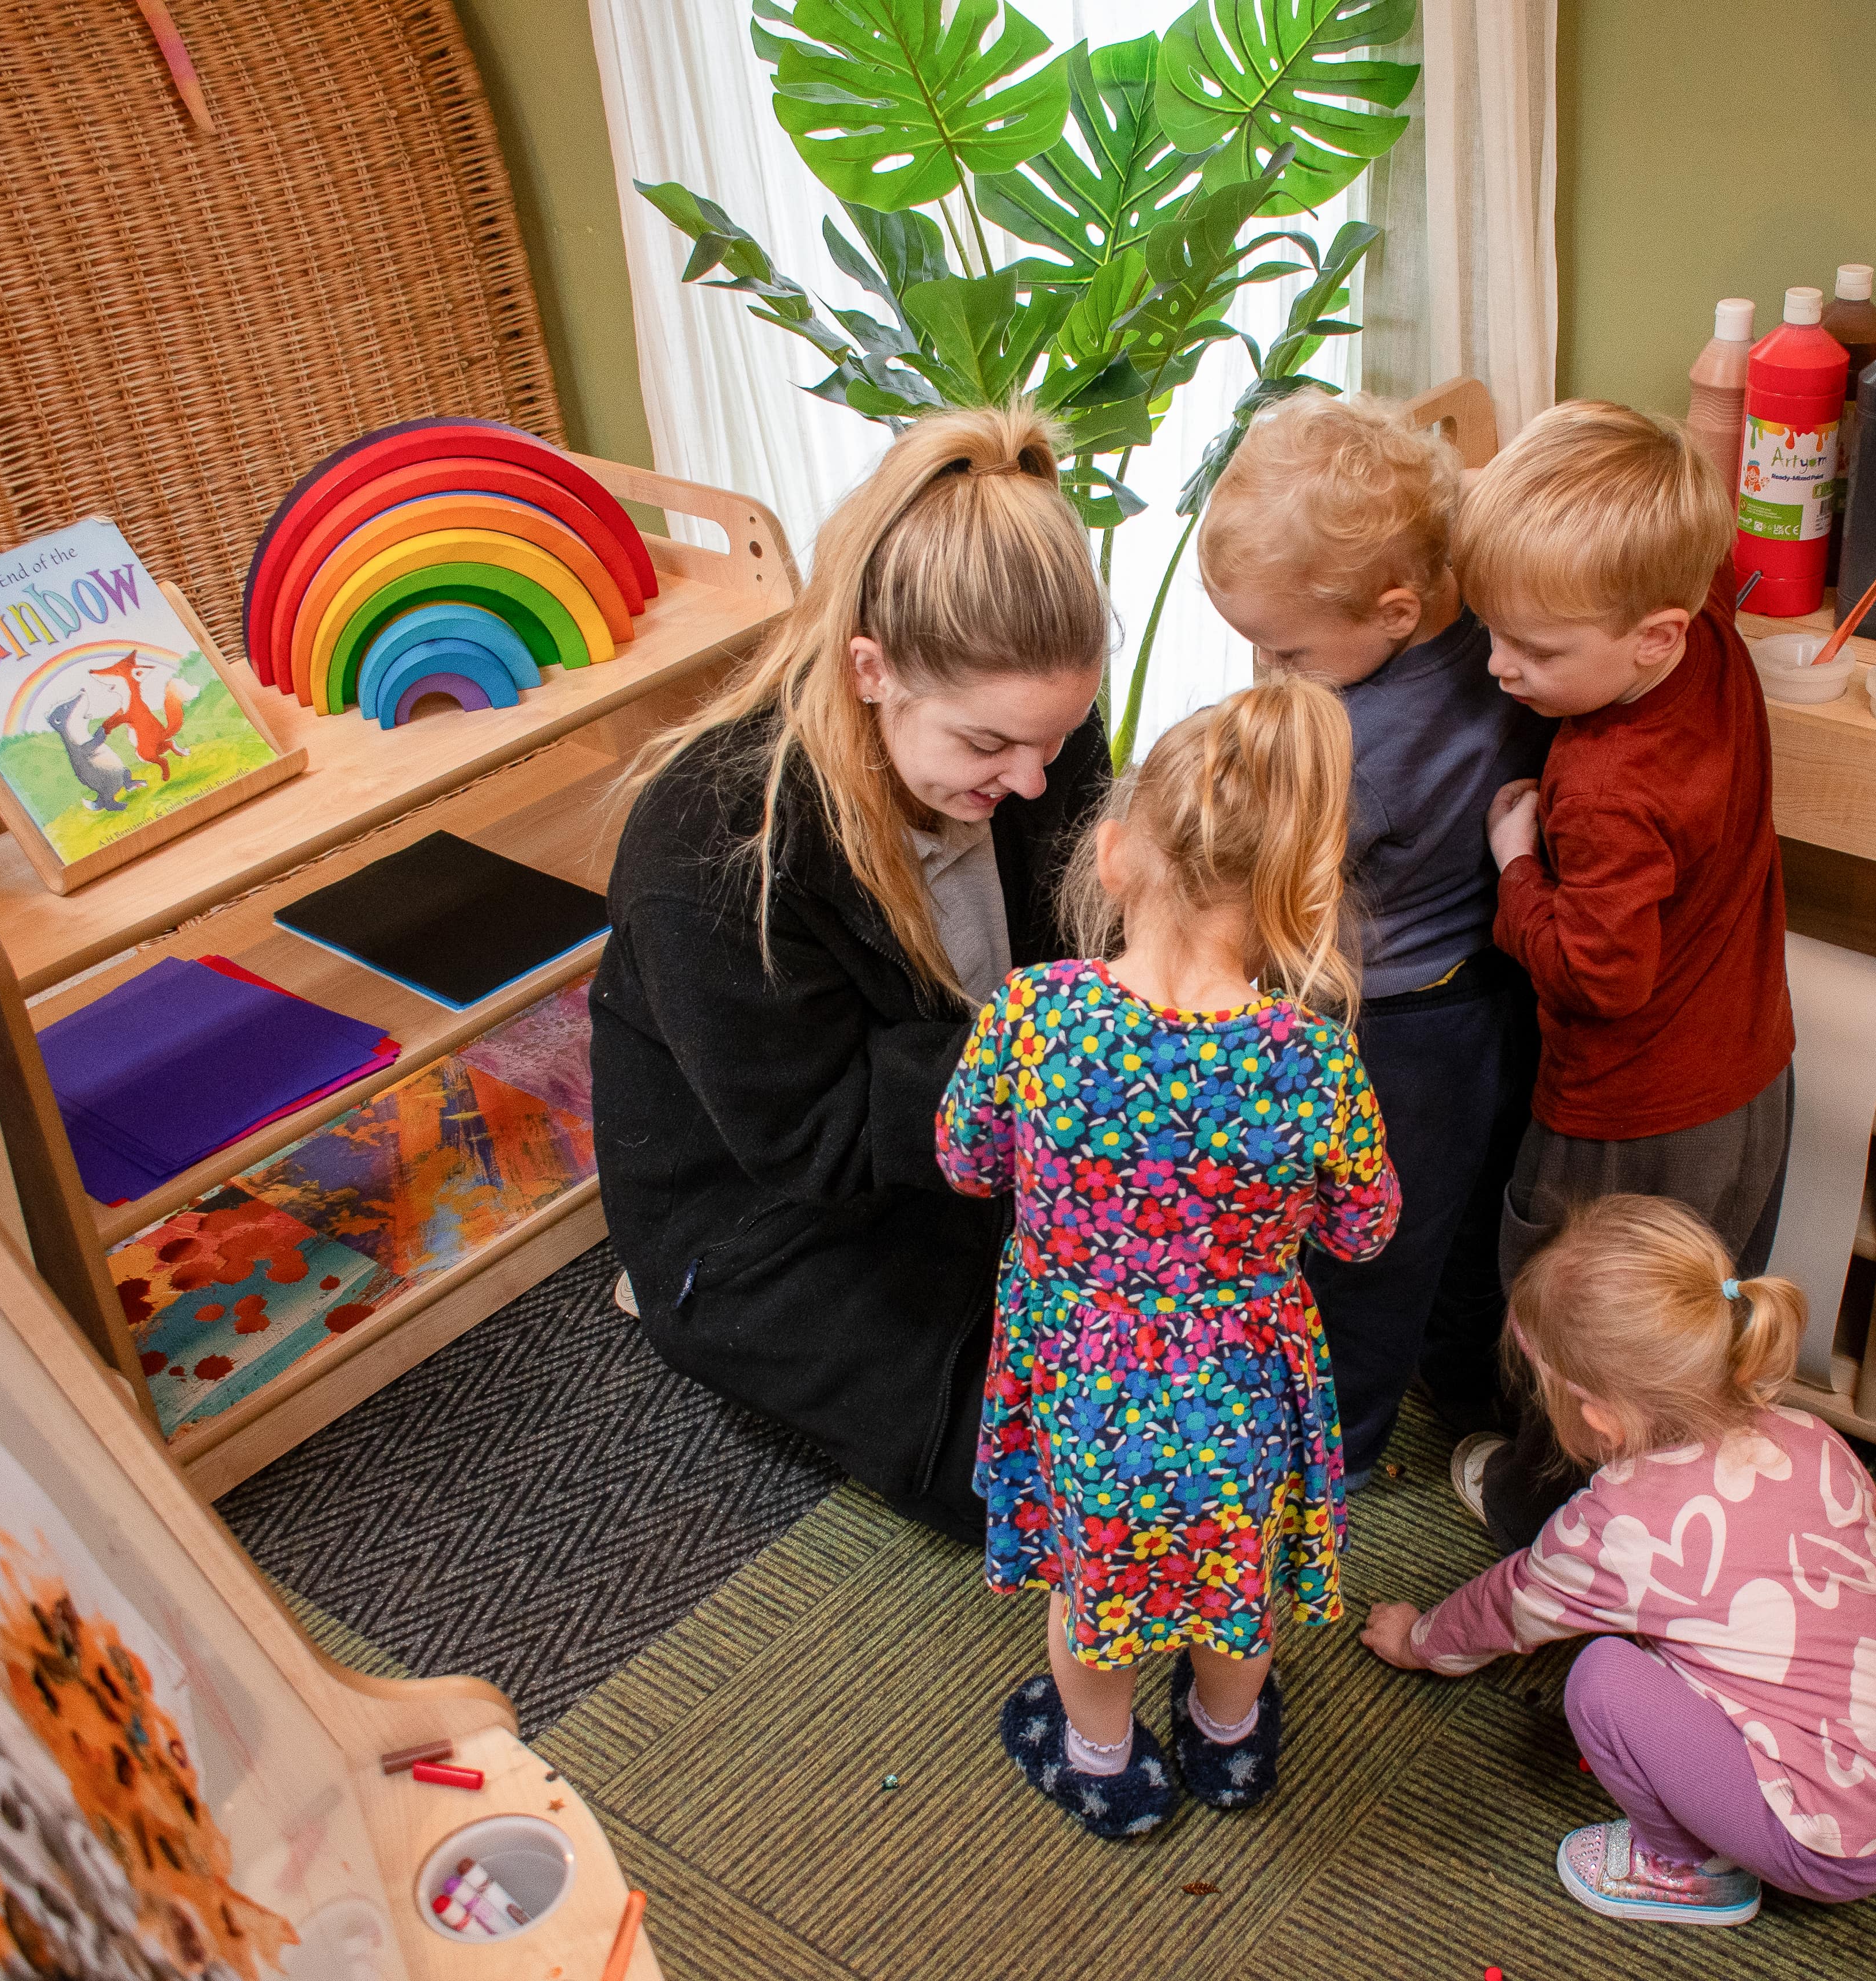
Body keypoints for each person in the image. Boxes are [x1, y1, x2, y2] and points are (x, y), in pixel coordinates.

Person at [590, 404, 1111, 1540]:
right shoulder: (712, 847)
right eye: (987, 746)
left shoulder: (1033, 732)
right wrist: (1075, 1067)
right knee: (1068, 1489)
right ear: (871, 670)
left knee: (1213, 1371)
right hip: (776, 1212)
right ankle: (671, 1300)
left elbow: (1092, 941)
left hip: (971, 1128)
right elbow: (820, 1139)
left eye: (1058, 738)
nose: (1034, 781)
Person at [936, 677, 1401, 1838]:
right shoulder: (1314, 1058)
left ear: (1111, 857)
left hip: (1087, 1382)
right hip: (1242, 1382)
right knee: (1233, 1590)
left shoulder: (1033, 1015)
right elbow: (1366, 1227)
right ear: (1300, 893)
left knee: (1090, 1590)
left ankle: (1103, 1758)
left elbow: (965, 1159)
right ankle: (1229, 1742)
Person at [1358, 1196, 1876, 1925]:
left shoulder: (1616, 1524)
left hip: (1829, 1848)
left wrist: (1421, 1642)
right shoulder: (1807, 1435)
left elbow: (1509, 1606)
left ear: (1598, 1414)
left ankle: (1687, 1869)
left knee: (1603, 1679)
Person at [1451, 399, 1797, 1550]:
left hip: (1626, 1113)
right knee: (1694, 1318)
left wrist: (1516, 865)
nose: (1500, 668)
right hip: (1750, 1070)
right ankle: (1686, 1509)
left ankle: (1542, 1514)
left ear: (1652, 634)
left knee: (1576, 1327)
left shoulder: (1601, 780)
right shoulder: (1708, 632)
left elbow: (1597, 977)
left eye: (1537, 651)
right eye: (1490, 632)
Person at [1198, 390, 1551, 1474]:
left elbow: (1254, 878)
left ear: (1394, 609)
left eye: (1286, 653)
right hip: (1484, 997)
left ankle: (1336, 1450)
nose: (1270, 675)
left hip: (1389, 1029)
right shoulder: (1500, 636)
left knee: (1361, 1245)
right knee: (1450, 1225)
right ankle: (1464, 1385)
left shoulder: (1357, 748)